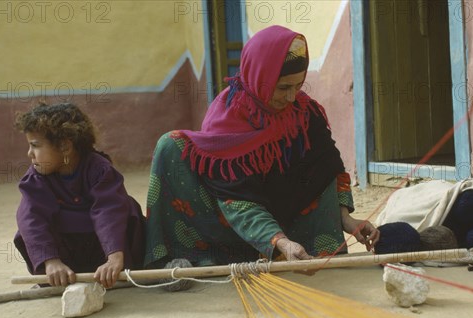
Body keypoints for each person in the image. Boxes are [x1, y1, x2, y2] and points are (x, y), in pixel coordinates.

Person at [144, 25, 379, 269]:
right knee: (170, 145)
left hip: (290, 227)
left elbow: (329, 168)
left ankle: (297, 249)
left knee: (317, 157)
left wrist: (346, 219)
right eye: (283, 88)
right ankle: (193, 257)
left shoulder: (304, 112)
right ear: (259, 77)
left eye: (298, 86)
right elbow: (235, 198)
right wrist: (279, 241)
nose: (291, 97)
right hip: (230, 226)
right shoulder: (226, 121)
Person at [14, 102, 146, 288]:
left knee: (128, 206)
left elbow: (109, 211)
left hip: (102, 250)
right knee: (26, 226)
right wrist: (51, 261)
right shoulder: (36, 177)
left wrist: (114, 257)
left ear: (65, 147)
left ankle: (116, 270)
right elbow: (32, 218)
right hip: (66, 257)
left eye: (35, 146)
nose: (30, 154)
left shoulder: (99, 169)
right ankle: (58, 274)